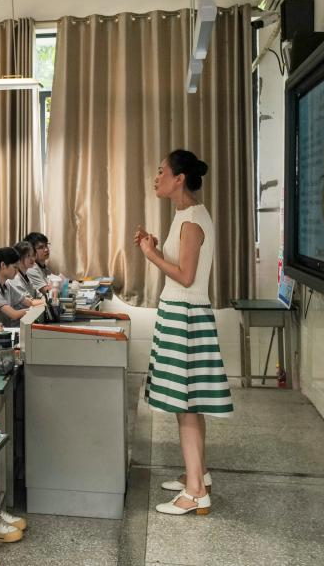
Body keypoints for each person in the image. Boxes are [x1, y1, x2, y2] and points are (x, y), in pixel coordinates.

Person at [135, 149, 232, 516]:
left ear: (179, 179)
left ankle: (195, 493)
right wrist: (156, 247)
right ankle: (198, 474)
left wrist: (151, 256)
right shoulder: (185, 215)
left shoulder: (191, 220)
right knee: (187, 403)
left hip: (185, 316)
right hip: (181, 313)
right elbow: (183, 265)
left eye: (161, 171)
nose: (156, 177)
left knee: (186, 406)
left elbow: (186, 277)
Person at [8, 241, 45, 309]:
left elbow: (38, 295)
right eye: (28, 256)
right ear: (19, 258)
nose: (32, 259)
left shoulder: (25, 276)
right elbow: (29, 302)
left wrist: (44, 299)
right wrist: (46, 301)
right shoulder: (14, 278)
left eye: (33, 255)